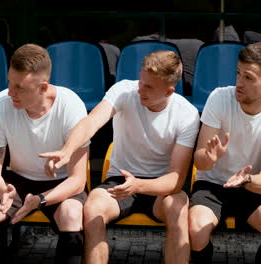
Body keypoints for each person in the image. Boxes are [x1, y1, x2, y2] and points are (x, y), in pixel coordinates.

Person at [40, 50, 200, 264]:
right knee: (93, 207)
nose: (140, 90)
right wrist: (67, 149)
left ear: (169, 91)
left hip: (160, 187)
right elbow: (92, 122)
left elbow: (175, 180)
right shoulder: (124, 90)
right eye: (141, 82)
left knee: (178, 207)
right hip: (120, 181)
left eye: (149, 87)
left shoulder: (187, 114)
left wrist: (139, 186)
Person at [0, 44, 89, 264]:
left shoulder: (71, 106)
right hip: (16, 184)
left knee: (71, 214)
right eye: (9, 82)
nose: (11, 92)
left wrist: (40, 200)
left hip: (60, 184)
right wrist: (3, 190)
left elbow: (78, 181)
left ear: (43, 88)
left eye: (19, 87)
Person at [189, 42, 261, 264]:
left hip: (250, 187)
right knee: (196, 228)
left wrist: (245, 179)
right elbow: (199, 160)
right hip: (212, 184)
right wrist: (209, 158)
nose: (239, 82)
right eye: (238, 73)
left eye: (248, 77)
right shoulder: (219, 98)